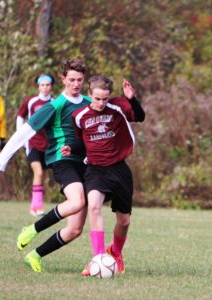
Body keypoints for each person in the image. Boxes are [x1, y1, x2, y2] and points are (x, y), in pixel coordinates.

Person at [0, 58, 91, 272]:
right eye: (72, 79)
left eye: (80, 80)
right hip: (62, 161)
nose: (76, 84)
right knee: (77, 202)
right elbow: (26, 130)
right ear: (63, 79)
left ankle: (35, 255)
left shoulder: (88, 102)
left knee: (75, 229)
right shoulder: (55, 105)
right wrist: (3, 157)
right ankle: (31, 229)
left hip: (85, 163)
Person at [61, 75, 145, 276]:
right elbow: (82, 142)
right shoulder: (79, 116)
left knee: (124, 221)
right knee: (95, 207)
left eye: (105, 99)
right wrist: (71, 147)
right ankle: (98, 258)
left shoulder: (117, 107)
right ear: (89, 95)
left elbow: (140, 117)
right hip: (95, 170)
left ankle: (115, 252)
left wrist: (131, 99)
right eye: (97, 98)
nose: (101, 103)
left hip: (119, 169)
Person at [16, 74, 55, 216]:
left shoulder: (55, 102)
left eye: (48, 85)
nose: (45, 88)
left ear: (51, 86)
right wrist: (21, 137)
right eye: (42, 85)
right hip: (32, 143)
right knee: (38, 172)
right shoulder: (31, 101)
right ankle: (37, 207)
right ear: (38, 86)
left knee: (42, 175)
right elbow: (20, 116)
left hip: (49, 146)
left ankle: (35, 206)